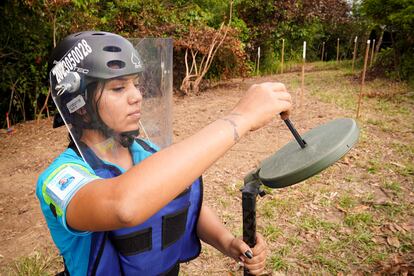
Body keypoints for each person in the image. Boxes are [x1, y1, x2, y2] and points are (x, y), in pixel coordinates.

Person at [36, 31, 292, 276]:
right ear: (79, 106)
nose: (137, 96)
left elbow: (181, 198)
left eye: (135, 84)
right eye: (118, 88)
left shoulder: (148, 152)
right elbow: (123, 206)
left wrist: (227, 242)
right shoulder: (59, 179)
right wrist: (239, 118)